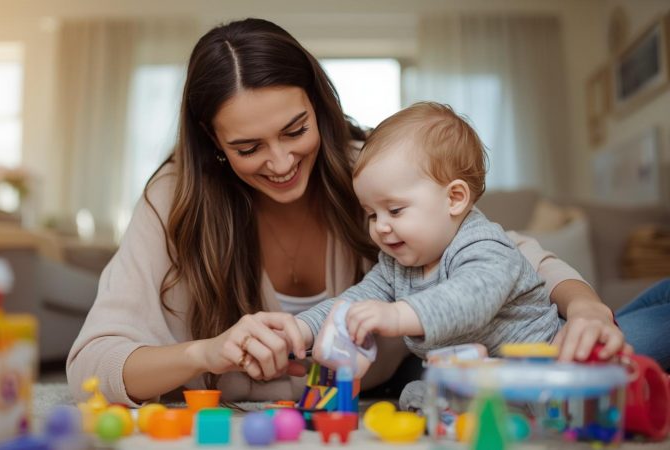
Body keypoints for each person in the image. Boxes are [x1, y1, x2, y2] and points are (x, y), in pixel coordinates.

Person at [66, 18, 628, 406]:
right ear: (214, 144)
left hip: (500, 353)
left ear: (320, 106)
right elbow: (93, 362)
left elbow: (507, 256)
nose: (281, 162)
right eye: (248, 148)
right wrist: (206, 352)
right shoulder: (176, 198)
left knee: (634, 342)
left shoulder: (366, 172)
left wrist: (588, 309)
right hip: (406, 384)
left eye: (295, 130)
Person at [296, 102, 561, 366]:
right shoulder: (396, 265)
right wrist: (302, 328)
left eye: (395, 210)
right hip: (484, 377)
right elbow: (354, 303)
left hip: (544, 366)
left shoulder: (483, 244)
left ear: (454, 198)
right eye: (373, 214)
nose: (380, 227)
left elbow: (470, 300)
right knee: (420, 394)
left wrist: (398, 315)